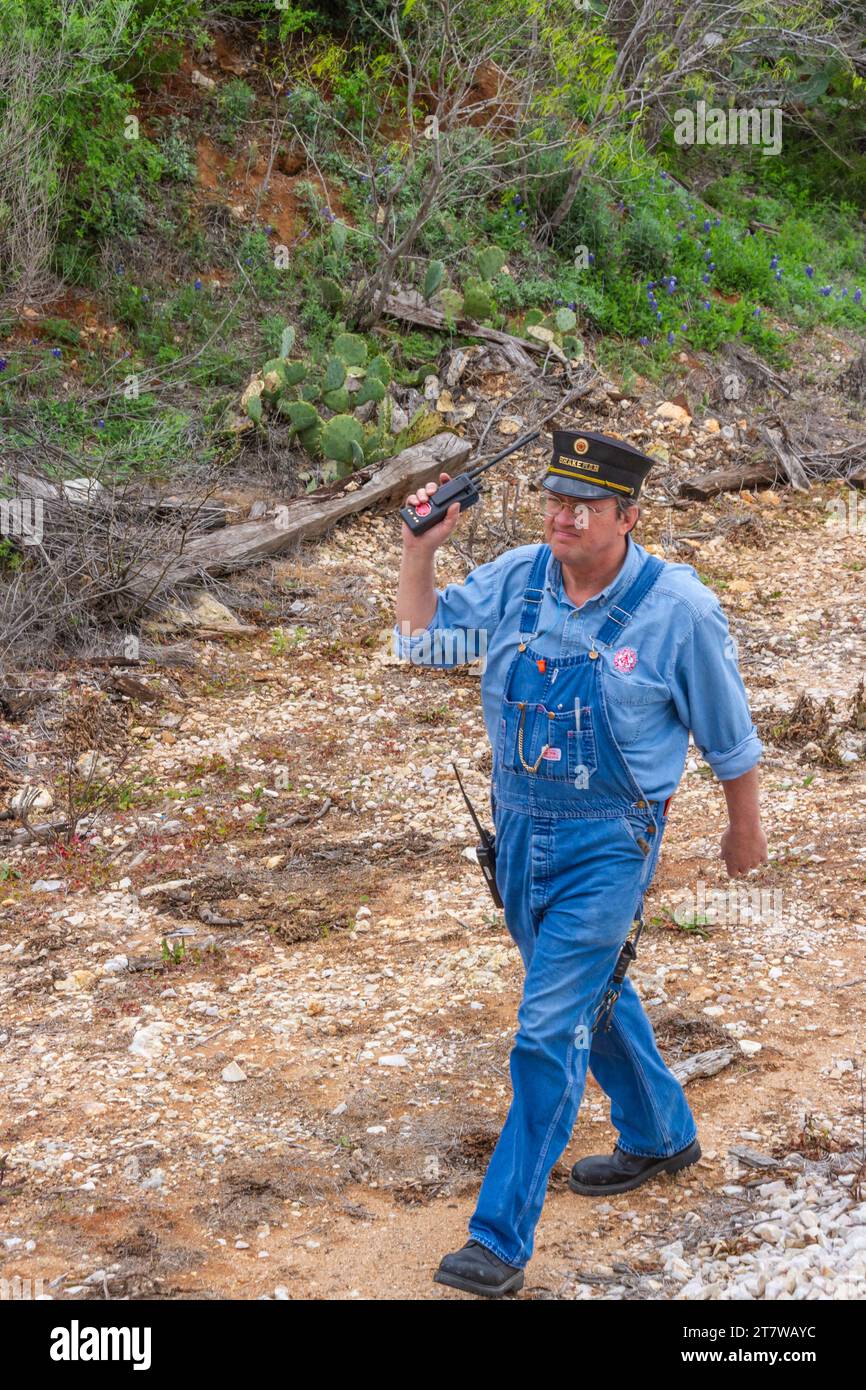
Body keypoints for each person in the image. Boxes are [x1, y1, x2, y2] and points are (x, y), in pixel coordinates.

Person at [393, 428, 769, 1298]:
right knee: (591, 992)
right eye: (555, 499)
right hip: (519, 834)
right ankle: (659, 1133)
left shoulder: (677, 609)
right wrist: (420, 553)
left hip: (611, 844)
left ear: (627, 515)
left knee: (546, 1028)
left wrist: (742, 829)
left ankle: (498, 1238)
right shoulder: (522, 575)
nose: (562, 516)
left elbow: (730, 739)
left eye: (583, 505)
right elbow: (425, 644)